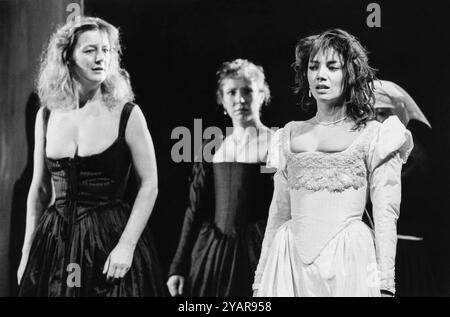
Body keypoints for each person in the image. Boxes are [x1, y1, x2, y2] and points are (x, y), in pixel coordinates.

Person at [253, 29, 413, 297]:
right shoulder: (288, 134)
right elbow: (278, 213)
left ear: (349, 73)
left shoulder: (376, 135)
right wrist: (260, 280)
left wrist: (385, 283)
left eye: (332, 66)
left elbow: (386, 215)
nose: (320, 75)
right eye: (313, 67)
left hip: (349, 262)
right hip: (289, 260)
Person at [17, 17, 166, 296]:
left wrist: (127, 245)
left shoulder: (127, 113)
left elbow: (150, 185)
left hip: (108, 239)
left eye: (106, 50)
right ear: (68, 57)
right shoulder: (46, 116)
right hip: (54, 243)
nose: (101, 58)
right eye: (90, 50)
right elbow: (38, 189)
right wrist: (27, 251)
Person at [166, 59, 274, 297]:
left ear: (262, 94)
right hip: (212, 254)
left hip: (259, 253)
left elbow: (285, 207)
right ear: (222, 99)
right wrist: (178, 266)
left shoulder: (276, 142)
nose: (240, 99)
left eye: (248, 91)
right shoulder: (212, 146)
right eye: (232, 92)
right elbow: (194, 210)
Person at [373, 80, 437, 296]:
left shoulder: (409, 152)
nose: (376, 120)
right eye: (372, 114)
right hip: (388, 250)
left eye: (382, 114)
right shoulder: (385, 149)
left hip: (405, 255)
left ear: (396, 115)